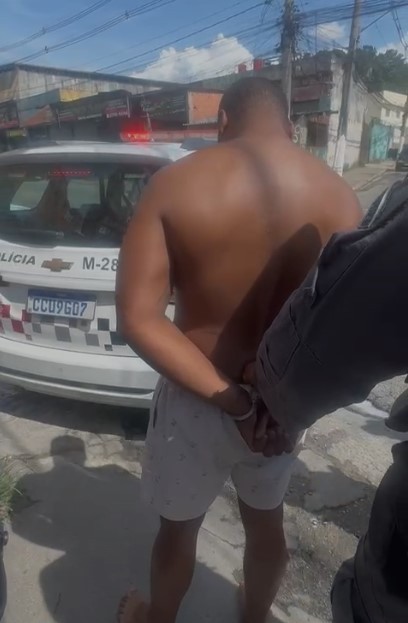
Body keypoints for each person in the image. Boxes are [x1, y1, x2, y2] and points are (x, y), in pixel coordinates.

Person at [115, 77, 362, 623]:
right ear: (290, 126)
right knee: (265, 521)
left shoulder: (175, 185)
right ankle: (254, 615)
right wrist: (279, 405)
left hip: (197, 397)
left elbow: (137, 318)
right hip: (283, 408)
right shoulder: (341, 197)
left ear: (222, 121)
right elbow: (351, 333)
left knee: (178, 531)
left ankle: (156, 618)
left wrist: (235, 402)